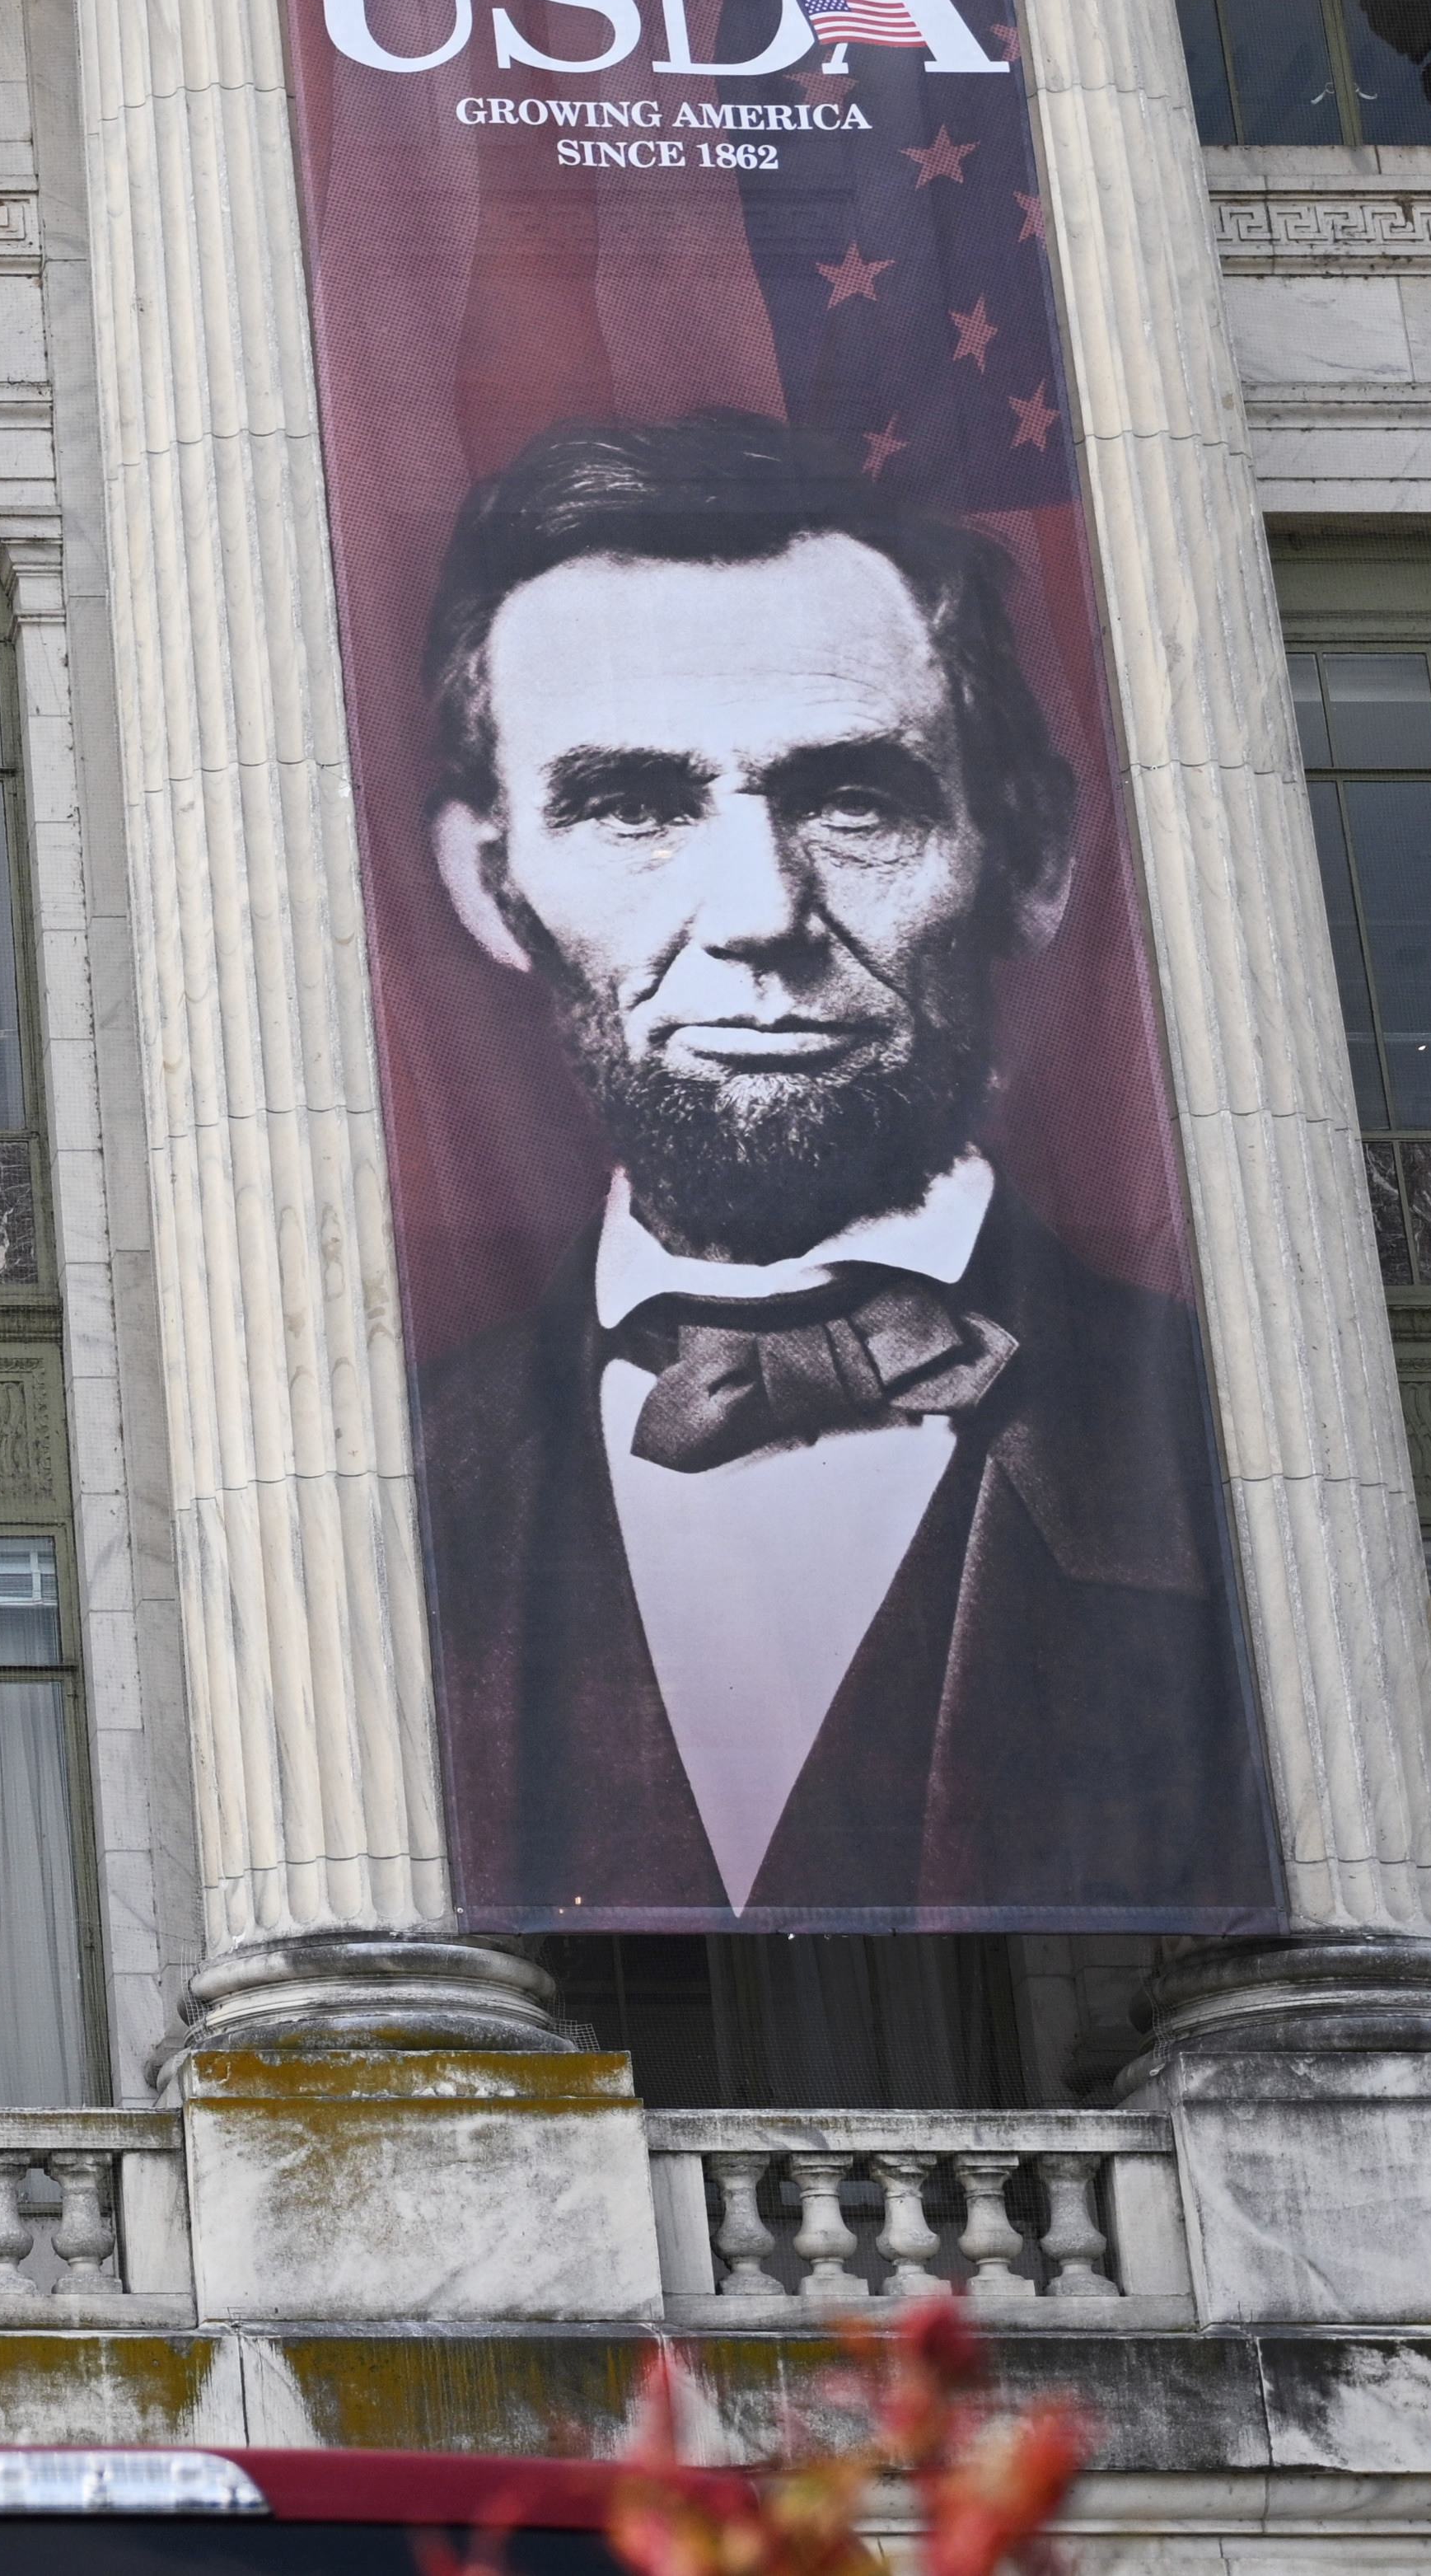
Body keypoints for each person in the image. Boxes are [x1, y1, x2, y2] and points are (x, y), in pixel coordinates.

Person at [402, 412, 1281, 1933]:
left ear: (1032, 854)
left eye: (852, 798)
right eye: (634, 804)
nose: (758, 913)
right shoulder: (389, 1479)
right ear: (493, 887)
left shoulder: (1243, 1447)